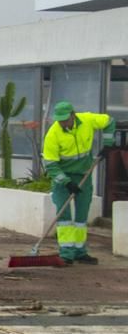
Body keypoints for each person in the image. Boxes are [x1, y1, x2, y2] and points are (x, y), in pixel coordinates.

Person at [43, 101, 116, 265]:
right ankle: (66, 253)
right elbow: (51, 164)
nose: (62, 122)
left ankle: (80, 251)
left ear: (73, 115)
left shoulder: (87, 120)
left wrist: (108, 144)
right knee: (64, 216)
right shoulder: (52, 134)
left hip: (84, 175)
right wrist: (66, 182)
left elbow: (110, 122)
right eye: (59, 120)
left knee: (81, 216)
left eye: (65, 119)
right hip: (63, 178)